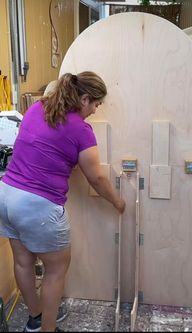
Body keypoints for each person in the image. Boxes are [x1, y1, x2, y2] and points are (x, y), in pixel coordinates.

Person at [0, 72, 125, 332]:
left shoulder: (37, 108)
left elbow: (43, 146)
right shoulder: (81, 129)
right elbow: (97, 178)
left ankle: (35, 317)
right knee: (56, 269)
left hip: (6, 194)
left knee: (23, 262)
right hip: (36, 205)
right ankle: (48, 329)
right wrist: (117, 201)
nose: (95, 111)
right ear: (84, 98)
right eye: (96, 105)